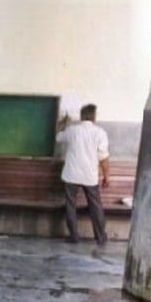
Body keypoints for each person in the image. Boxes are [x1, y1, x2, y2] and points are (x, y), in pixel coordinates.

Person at [57, 104, 109, 244]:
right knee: (95, 206)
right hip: (90, 176)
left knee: (70, 205)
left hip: (71, 174)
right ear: (94, 116)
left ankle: (74, 236)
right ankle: (100, 236)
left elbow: (59, 138)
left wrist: (63, 124)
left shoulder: (72, 131)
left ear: (81, 116)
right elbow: (103, 157)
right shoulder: (100, 133)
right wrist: (106, 176)